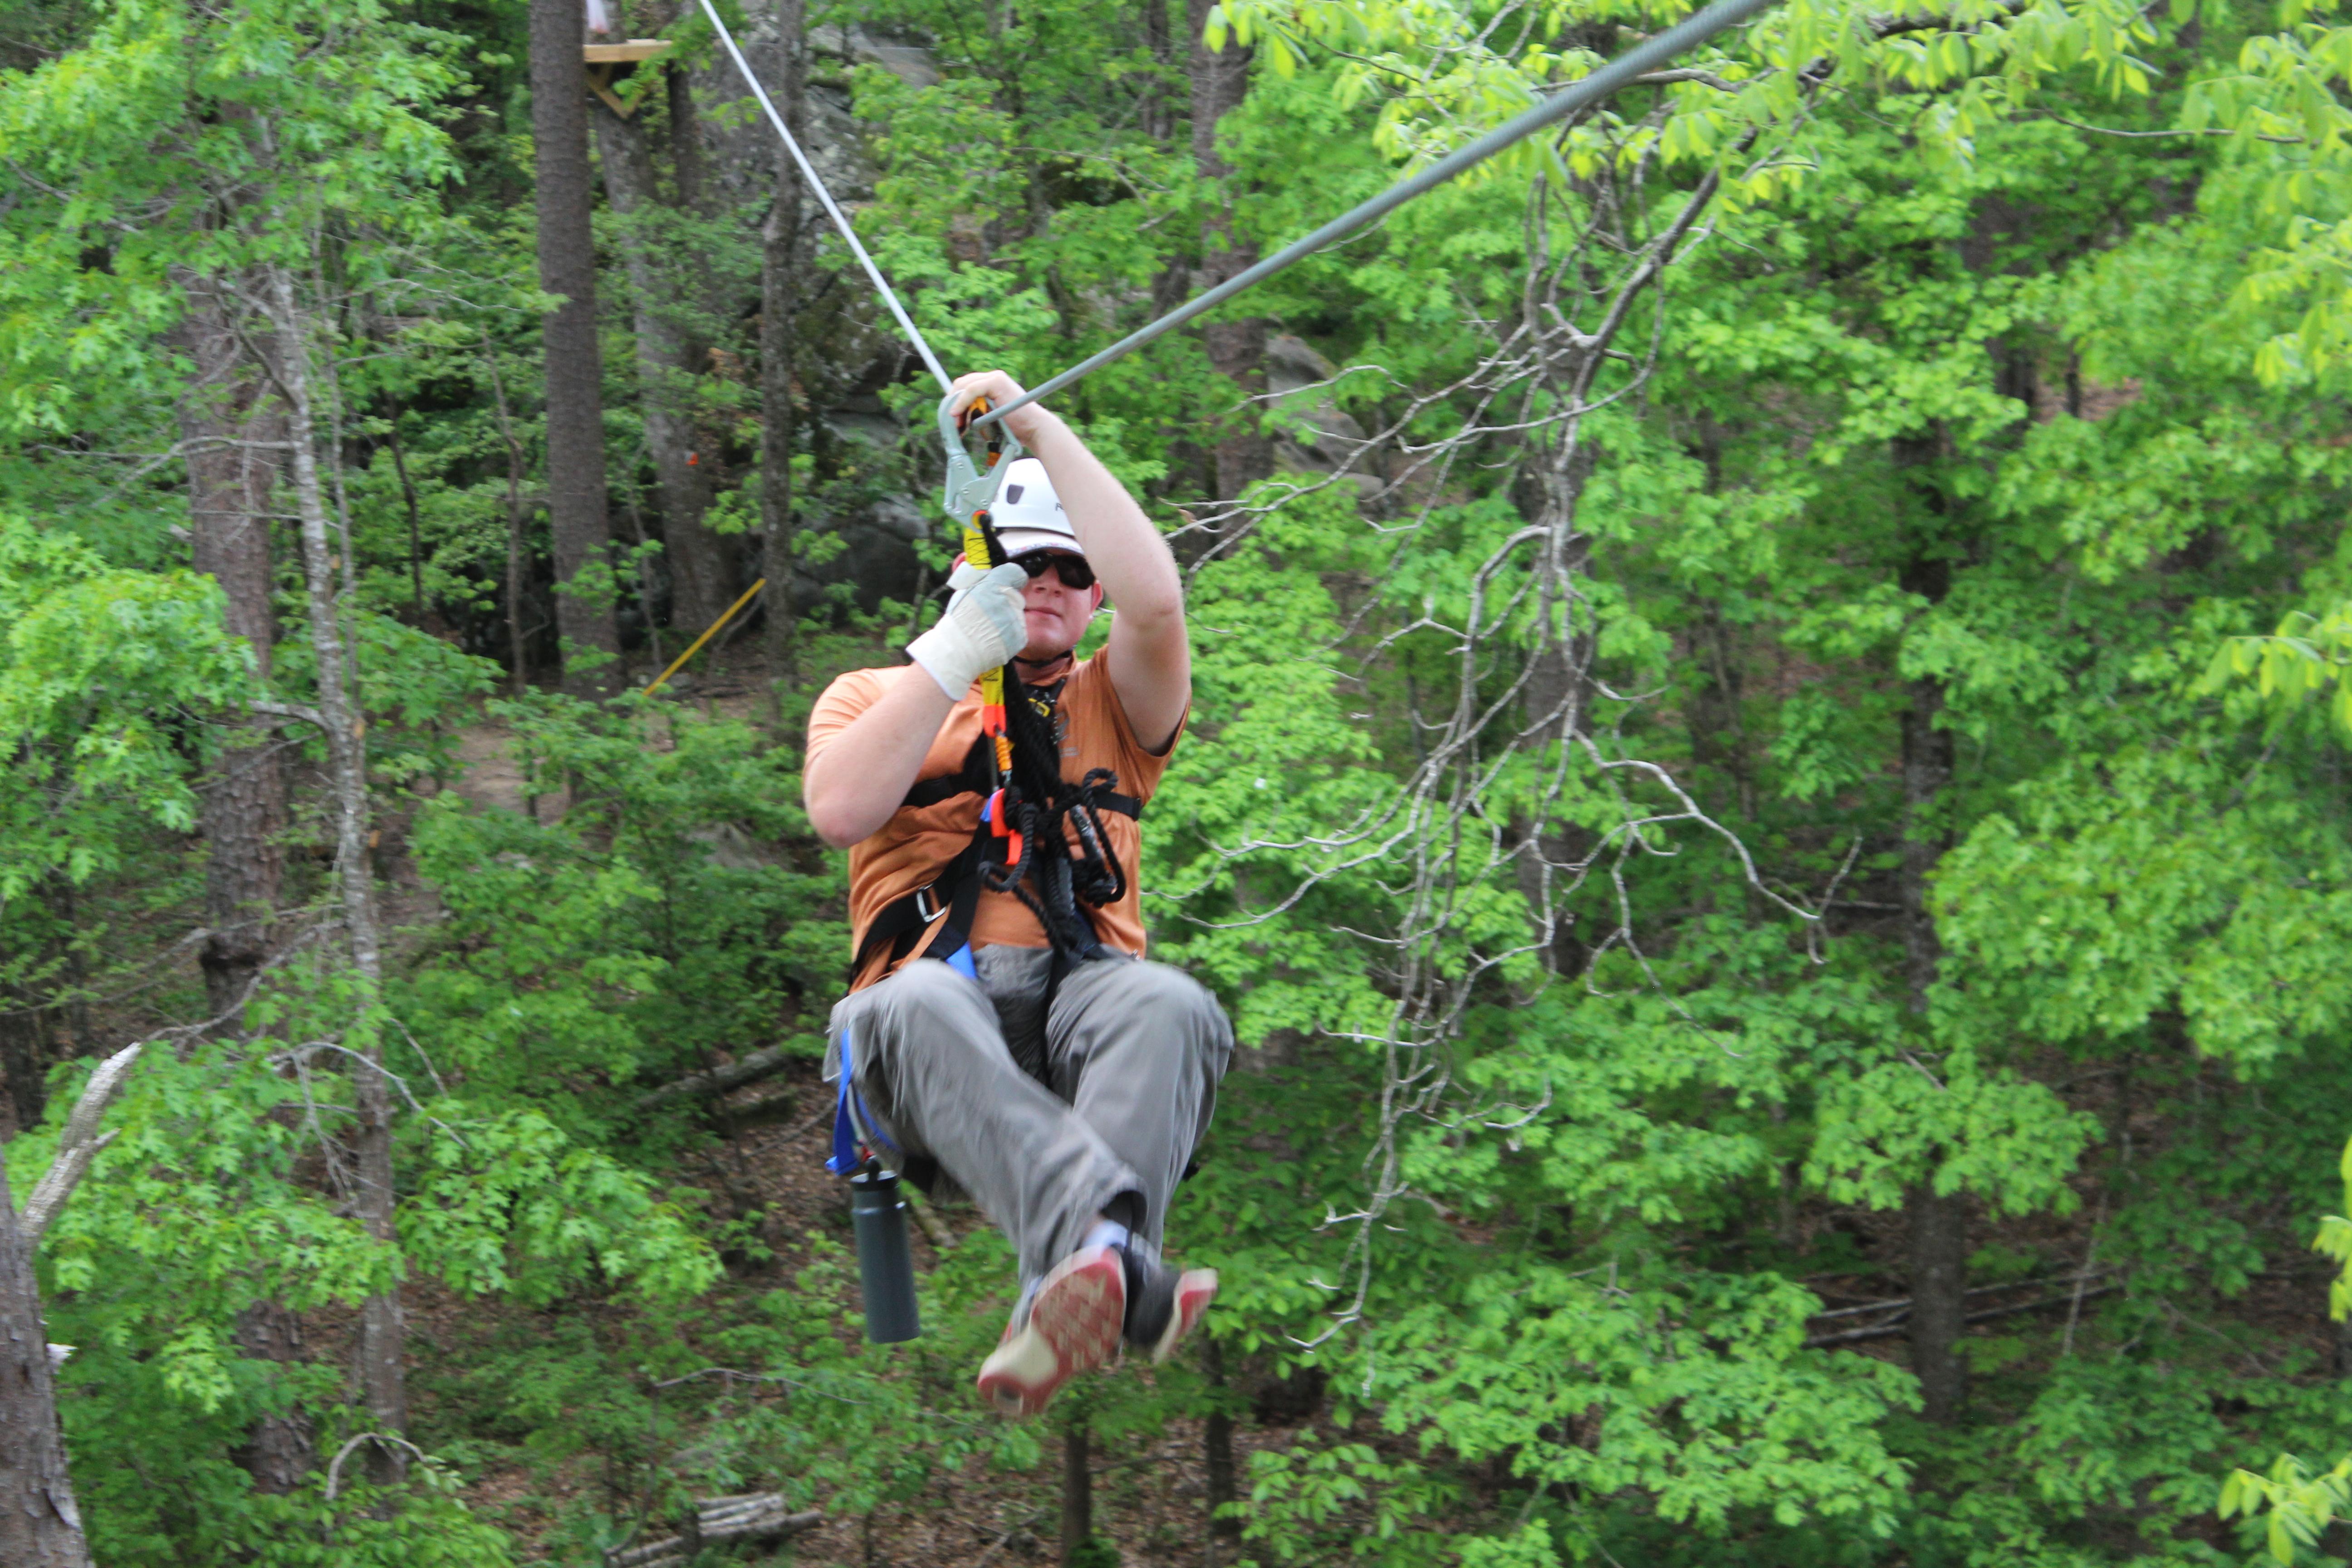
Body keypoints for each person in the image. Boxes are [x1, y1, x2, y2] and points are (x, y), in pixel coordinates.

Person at [804, 369, 1234, 1417]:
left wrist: (1036, 422)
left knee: (1173, 1001)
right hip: (925, 1047)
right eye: (1021, 561)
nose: (1044, 582)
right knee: (912, 1000)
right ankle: (1105, 1248)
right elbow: (843, 810)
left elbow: (1161, 599)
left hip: (1076, 1022)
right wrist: (956, 655)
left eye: (1067, 569)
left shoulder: (1116, 708)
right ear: (974, 563)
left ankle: (1084, 1268)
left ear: (1092, 598)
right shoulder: (876, 695)